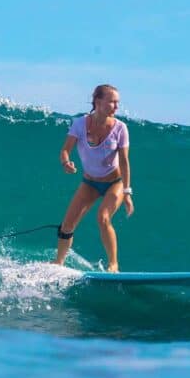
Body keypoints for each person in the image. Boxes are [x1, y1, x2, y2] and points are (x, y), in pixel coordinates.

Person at [53, 84, 134, 272]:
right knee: (67, 225)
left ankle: (113, 264)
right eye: (112, 102)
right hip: (90, 183)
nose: (116, 106)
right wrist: (66, 163)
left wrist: (127, 192)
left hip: (115, 183)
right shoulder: (80, 124)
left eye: (117, 102)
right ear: (98, 102)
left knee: (103, 217)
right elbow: (65, 150)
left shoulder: (121, 128)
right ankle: (58, 263)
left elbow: (124, 161)